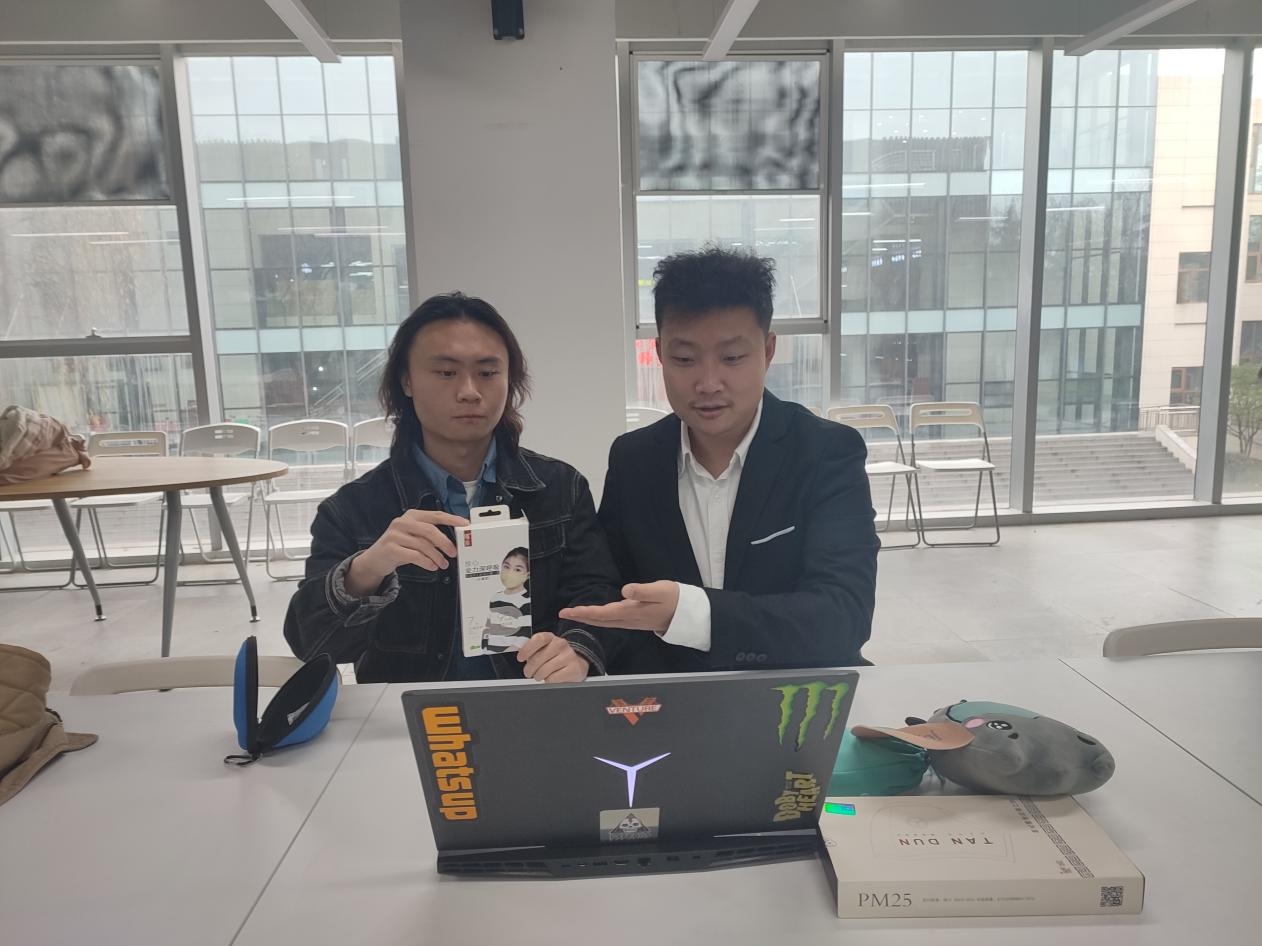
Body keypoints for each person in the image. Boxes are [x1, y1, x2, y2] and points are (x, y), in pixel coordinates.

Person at [561, 246, 879, 673]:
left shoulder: (826, 452)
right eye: (684, 359)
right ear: (659, 352)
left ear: (768, 350)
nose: (708, 383)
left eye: (732, 358)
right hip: (672, 697)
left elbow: (843, 617)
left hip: (795, 691)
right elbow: (613, 590)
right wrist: (580, 647)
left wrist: (693, 614)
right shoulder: (633, 459)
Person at [284, 292, 622, 684]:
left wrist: (577, 648)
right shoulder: (353, 509)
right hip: (408, 711)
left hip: (528, 700)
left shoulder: (559, 488)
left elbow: (596, 593)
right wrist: (366, 571)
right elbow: (312, 645)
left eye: (488, 373)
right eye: (446, 373)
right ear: (406, 380)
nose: (469, 391)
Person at [482, 547, 531, 653]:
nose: (509, 573)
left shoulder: (525, 600)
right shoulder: (495, 597)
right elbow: (489, 626)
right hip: (487, 653)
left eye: (517, 569)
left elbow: (526, 634)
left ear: (527, 575)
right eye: (506, 567)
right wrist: (484, 646)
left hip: (509, 655)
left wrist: (510, 650)